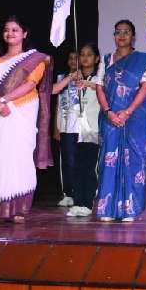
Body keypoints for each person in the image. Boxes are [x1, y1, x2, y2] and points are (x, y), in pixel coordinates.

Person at [0, 16, 52, 221]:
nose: (10, 33)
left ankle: (17, 208)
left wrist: (5, 100)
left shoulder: (35, 59)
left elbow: (30, 84)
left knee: (18, 157)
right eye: (7, 30)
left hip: (22, 110)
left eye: (15, 30)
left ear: (24, 34)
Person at [93, 20, 146, 222]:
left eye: (126, 32)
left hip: (135, 117)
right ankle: (107, 209)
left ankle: (131, 209)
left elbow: (144, 88)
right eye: (118, 32)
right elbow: (99, 87)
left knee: (134, 161)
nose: (122, 35)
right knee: (109, 161)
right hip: (110, 118)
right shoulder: (106, 59)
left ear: (133, 36)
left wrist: (127, 112)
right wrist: (109, 111)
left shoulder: (142, 60)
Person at [58, 43, 102, 218]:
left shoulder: (100, 77)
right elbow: (55, 90)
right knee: (76, 166)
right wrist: (71, 79)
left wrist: (89, 84)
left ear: (96, 58)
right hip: (75, 129)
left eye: (89, 55)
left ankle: (87, 203)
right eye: (82, 55)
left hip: (91, 128)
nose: (84, 58)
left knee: (89, 167)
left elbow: (105, 91)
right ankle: (77, 201)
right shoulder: (73, 77)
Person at [52, 50, 80, 208]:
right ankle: (68, 193)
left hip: (83, 128)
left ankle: (83, 191)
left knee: (82, 161)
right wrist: (56, 128)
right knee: (67, 161)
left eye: (77, 58)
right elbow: (57, 103)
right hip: (65, 126)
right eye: (71, 58)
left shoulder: (88, 77)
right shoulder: (61, 78)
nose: (73, 61)